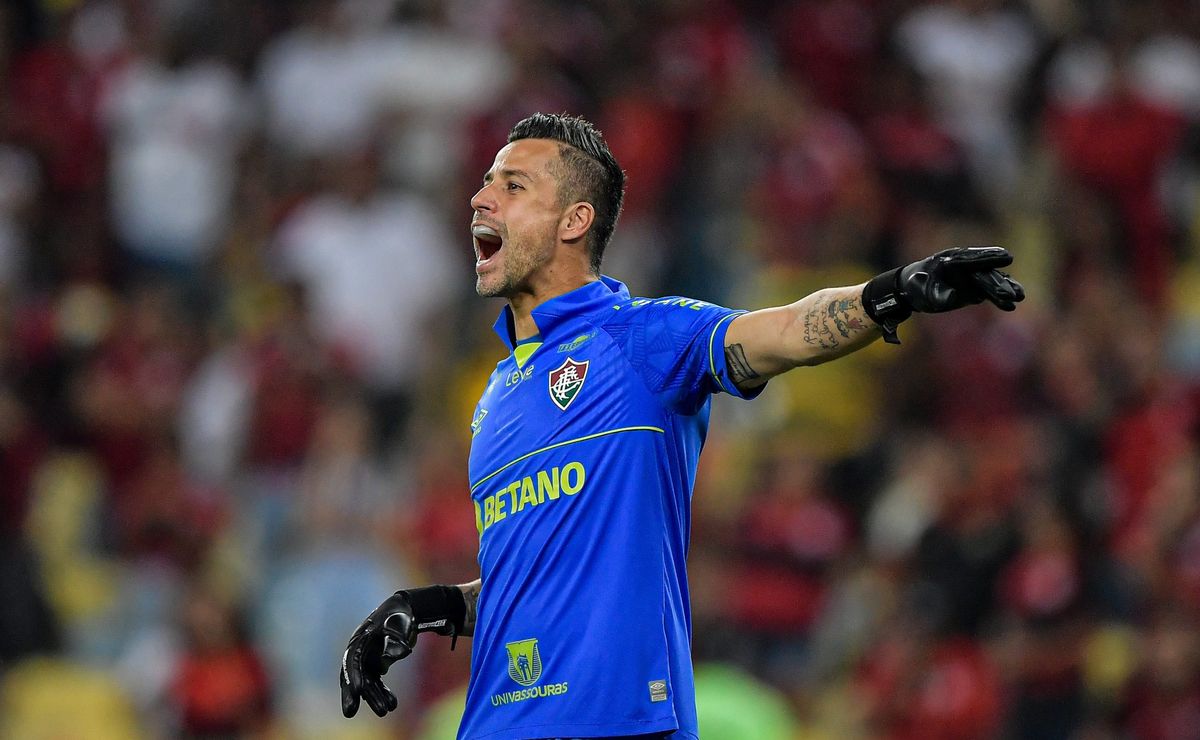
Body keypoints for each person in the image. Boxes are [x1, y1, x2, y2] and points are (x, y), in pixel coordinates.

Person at [338, 112, 1024, 739]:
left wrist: (892, 293)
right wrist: (429, 606)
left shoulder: (643, 340)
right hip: (496, 726)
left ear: (574, 220)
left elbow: (784, 331)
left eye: (512, 186)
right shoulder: (494, 395)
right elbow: (536, 580)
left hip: (619, 724)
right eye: (488, 183)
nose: (480, 199)